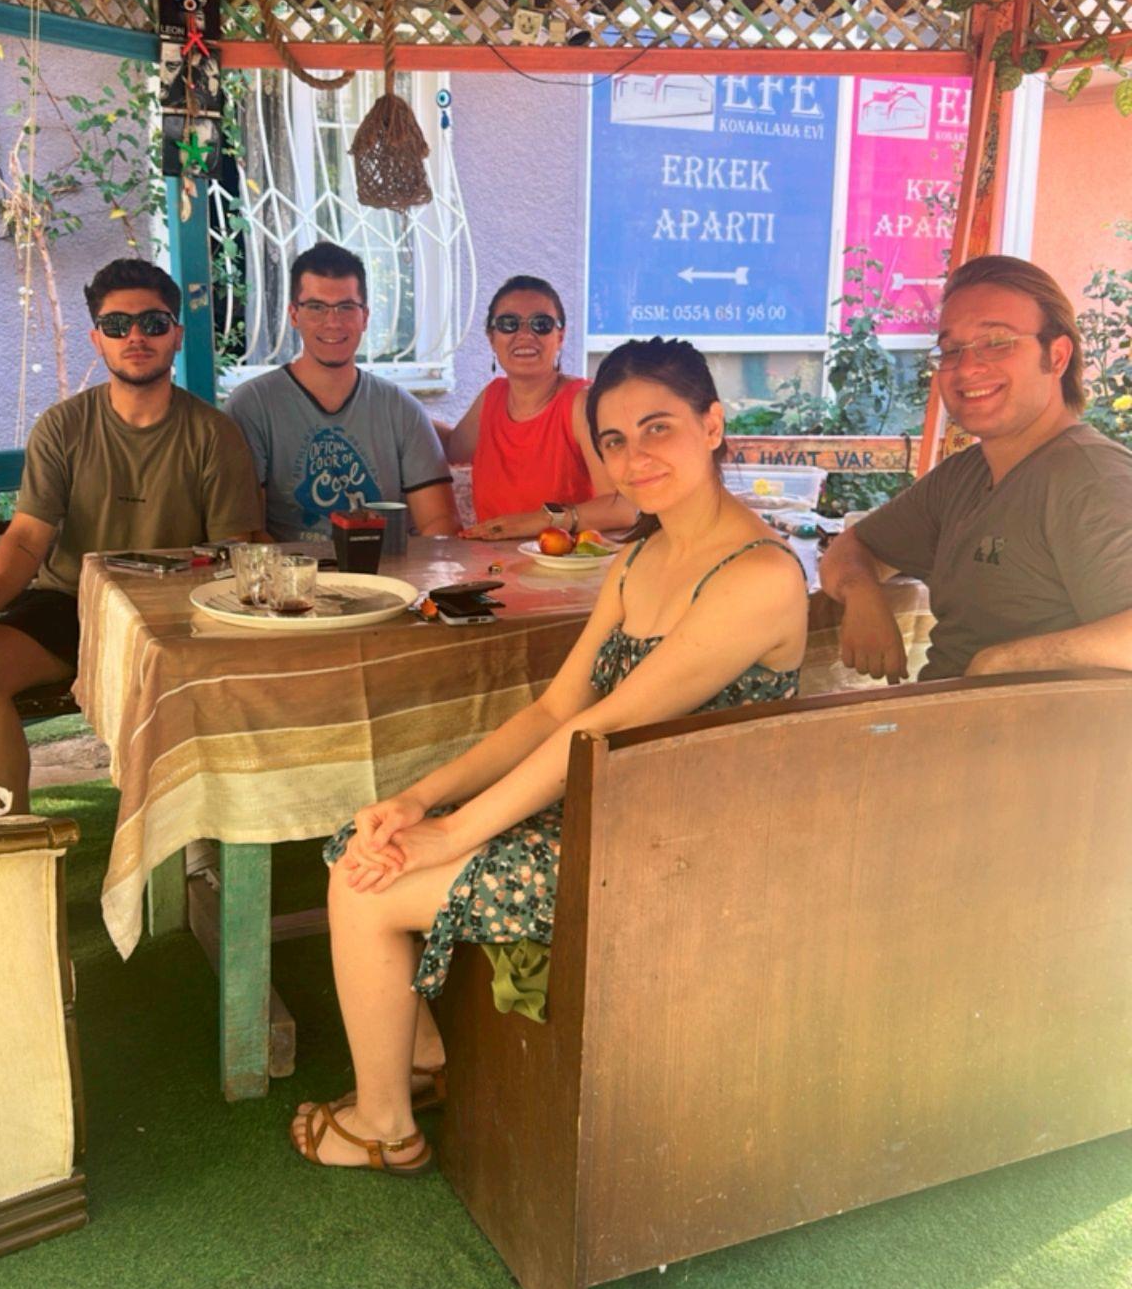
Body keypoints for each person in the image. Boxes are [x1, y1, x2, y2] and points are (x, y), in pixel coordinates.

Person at [289, 335, 808, 1171]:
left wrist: (452, 833)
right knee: (366, 841)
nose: (635, 459)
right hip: (603, 808)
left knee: (364, 887)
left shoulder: (759, 576)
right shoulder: (641, 556)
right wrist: (419, 802)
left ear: (713, 425)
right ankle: (418, 1058)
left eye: (659, 429)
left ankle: (385, 1127)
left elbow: (595, 729)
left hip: (682, 848)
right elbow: (556, 708)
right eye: (614, 441)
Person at [0, 257, 262, 812]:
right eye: (116, 325)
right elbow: (28, 537)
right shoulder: (62, 427)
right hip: (72, 605)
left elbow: (232, 552)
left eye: (153, 323)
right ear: (97, 339)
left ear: (176, 335)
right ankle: (12, 844)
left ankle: (199, 831)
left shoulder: (214, 434)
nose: (135, 336)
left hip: (174, 615)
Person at [819, 255, 1132, 682]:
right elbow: (852, 548)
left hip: (1022, 725)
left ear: (1057, 356)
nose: (967, 368)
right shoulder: (965, 475)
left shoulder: (1091, 480)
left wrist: (1003, 662)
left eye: (998, 342)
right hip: (946, 714)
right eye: (951, 350)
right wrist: (863, 595)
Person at [227, 240, 459, 542]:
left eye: (346, 307)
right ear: (294, 315)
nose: (333, 322)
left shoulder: (401, 409)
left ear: (365, 316)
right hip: (290, 571)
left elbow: (440, 522)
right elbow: (246, 530)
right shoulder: (251, 406)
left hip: (387, 569)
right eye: (316, 307)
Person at [440, 274, 635, 541]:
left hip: (566, 562)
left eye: (540, 324)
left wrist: (542, 520)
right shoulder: (492, 397)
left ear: (560, 336)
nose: (524, 335)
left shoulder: (581, 403)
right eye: (509, 324)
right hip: (491, 562)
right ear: (491, 337)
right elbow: (450, 448)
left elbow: (623, 507)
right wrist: (402, 411)